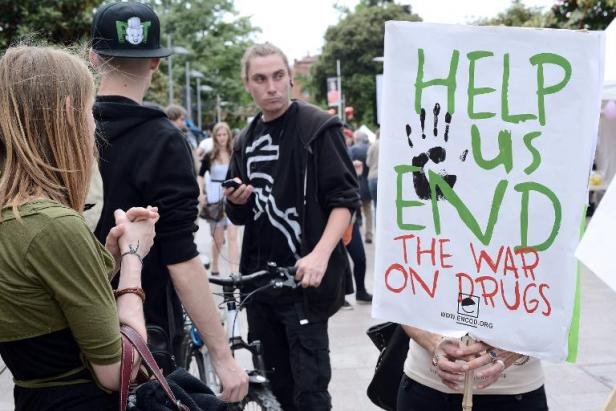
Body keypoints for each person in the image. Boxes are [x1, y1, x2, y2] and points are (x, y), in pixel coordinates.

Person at [89, 1, 248, 403]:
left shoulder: (61, 130)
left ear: (92, 58)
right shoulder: (164, 140)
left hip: (63, 333)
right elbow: (180, 257)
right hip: (144, 338)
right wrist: (223, 356)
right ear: (156, 64)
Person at [0, 45, 158, 410]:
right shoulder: (52, 226)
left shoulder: (18, 217)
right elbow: (120, 372)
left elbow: (44, 309)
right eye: (90, 112)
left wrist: (106, 259)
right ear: (68, 116)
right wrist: (134, 258)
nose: (93, 126)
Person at [224, 42, 360, 410]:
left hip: (302, 284)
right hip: (259, 286)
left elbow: (345, 202)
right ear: (247, 84)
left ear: (290, 79)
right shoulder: (245, 140)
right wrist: (236, 201)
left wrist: (318, 255)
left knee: (310, 393)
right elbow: (240, 216)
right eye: (261, 78)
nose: (272, 86)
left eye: (279, 76)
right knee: (275, 389)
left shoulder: (318, 128)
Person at [398, 326, 547, 410]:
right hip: (426, 388)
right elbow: (400, 296)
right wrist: (433, 342)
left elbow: (563, 304)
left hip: (515, 393)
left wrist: (515, 349)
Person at [198, 121, 240, 275]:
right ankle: (215, 265)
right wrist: (201, 192)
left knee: (233, 234)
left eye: (224, 134)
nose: (222, 137)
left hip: (231, 195)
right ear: (215, 136)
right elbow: (201, 175)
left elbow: (241, 174)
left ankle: (234, 271)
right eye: (219, 135)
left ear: (229, 136)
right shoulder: (210, 155)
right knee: (217, 236)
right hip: (215, 196)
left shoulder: (235, 153)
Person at [349, 130, 373, 243]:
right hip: (367, 183)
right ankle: (369, 234)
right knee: (368, 211)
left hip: (356, 183)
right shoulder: (370, 148)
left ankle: (356, 236)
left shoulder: (352, 150)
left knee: (355, 212)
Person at [366, 129, 379, 210]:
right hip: (385, 178)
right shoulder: (388, 144)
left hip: (373, 177)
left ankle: (376, 223)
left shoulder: (372, 146)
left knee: (376, 206)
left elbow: (368, 163)